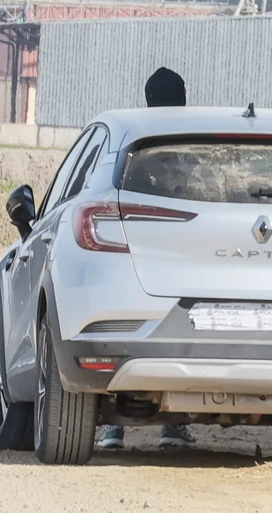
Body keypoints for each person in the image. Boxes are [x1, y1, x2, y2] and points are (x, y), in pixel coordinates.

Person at [97, 66, 197, 452]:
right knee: (179, 346)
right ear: (184, 97)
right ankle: (172, 428)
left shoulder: (133, 138)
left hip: (134, 259)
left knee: (124, 342)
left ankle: (112, 429)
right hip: (182, 261)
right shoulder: (191, 144)